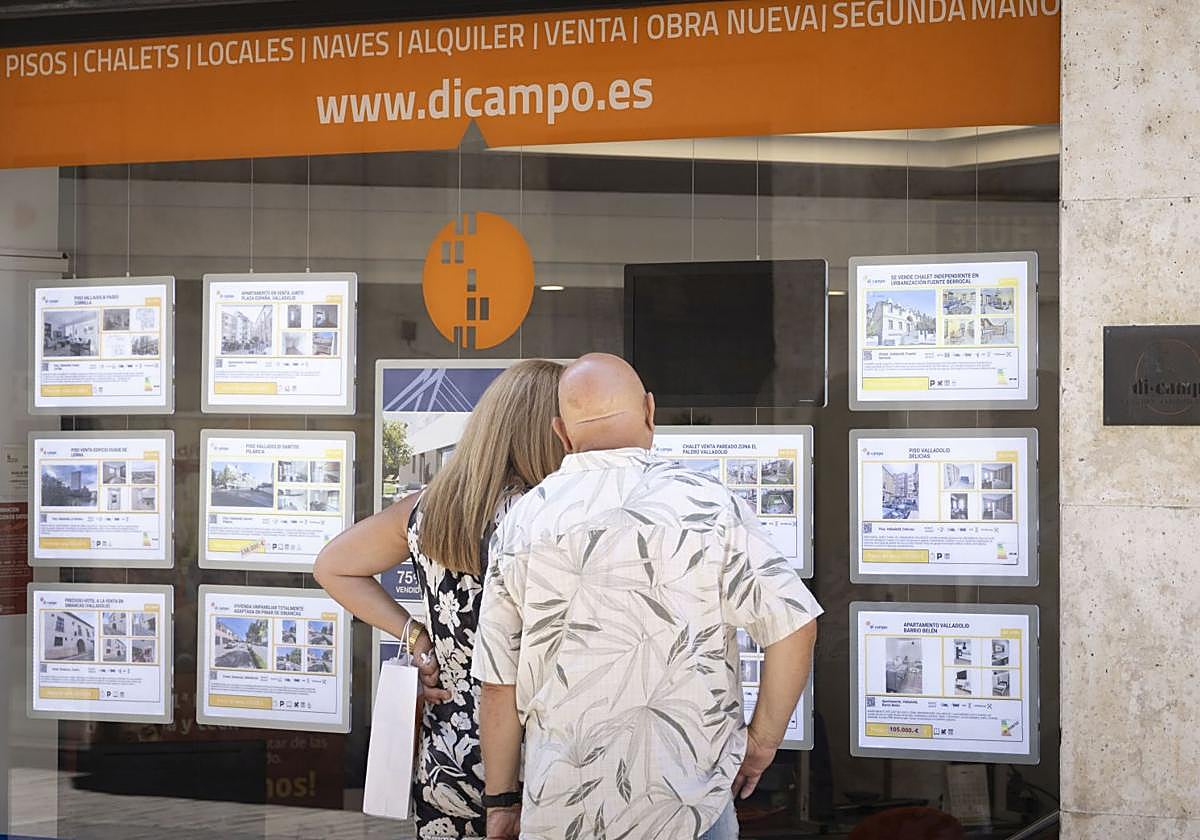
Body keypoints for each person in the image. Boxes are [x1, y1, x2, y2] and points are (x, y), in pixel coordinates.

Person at [473, 353, 822, 840]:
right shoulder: (709, 505)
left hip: (560, 807)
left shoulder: (522, 525)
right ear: (651, 411)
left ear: (561, 431)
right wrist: (761, 744)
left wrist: (501, 802)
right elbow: (795, 626)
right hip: (690, 804)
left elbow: (498, 685)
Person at [313, 359, 566, 840]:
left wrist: (416, 636)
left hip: (449, 753)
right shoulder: (549, 517)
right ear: (551, 431)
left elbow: (333, 565)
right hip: (534, 755)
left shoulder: (431, 507)